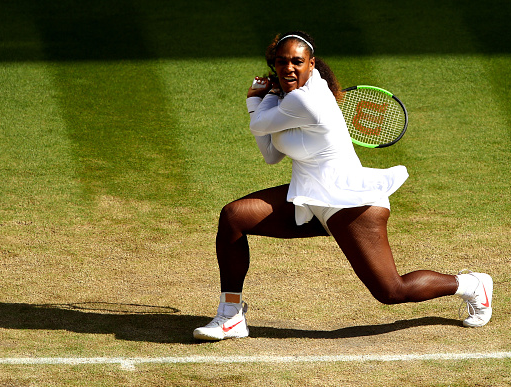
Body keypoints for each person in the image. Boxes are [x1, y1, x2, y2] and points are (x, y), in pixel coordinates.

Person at [193, 31, 493, 341]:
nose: (289, 68)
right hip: (308, 199)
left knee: (391, 290)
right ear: (274, 64)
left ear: (312, 65)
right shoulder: (288, 98)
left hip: (350, 203)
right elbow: (271, 155)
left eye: (297, 61)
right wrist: (268, 96)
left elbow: (258, 124)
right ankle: (231, 316)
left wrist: (257, 97)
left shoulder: (305, 100)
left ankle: (472, 285)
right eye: (282, 62)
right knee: (234, 217)